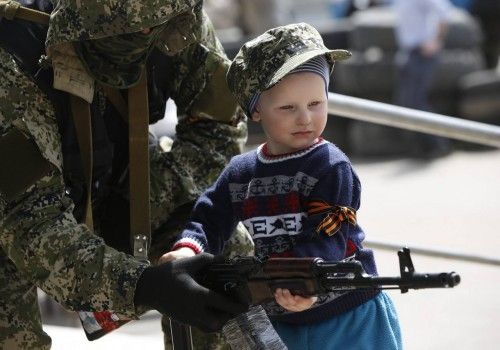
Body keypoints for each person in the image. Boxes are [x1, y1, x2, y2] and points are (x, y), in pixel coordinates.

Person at [0, 0, 253, 349]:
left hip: (117, 189)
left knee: (222, 250)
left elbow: (217, 133)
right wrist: (144, 285)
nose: (147, 32)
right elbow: (30, 224)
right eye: (129, 29)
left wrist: (143, 201)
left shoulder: (174, 15)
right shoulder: (11, 53)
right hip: (15, 222)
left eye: (152, 25)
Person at [161, 23, 403, 349]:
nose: (305, 118)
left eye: (316, 104)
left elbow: (329, 234)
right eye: (288, 108)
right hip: (281, 316)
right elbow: (210, 215)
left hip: (348, 316)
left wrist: (306, 283)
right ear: (256, 110)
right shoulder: (241, 173)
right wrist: (187, 248)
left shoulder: (330, 166)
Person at [393, 0, 454, 158]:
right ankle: (424, 147)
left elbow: (445, 13)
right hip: (409, 54)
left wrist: (436, 41)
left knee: (416, 101)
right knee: (407, 102)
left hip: (423, 54)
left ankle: (440, 144)